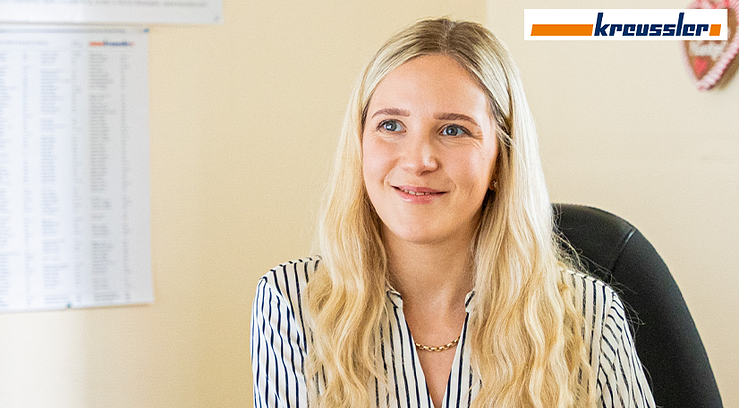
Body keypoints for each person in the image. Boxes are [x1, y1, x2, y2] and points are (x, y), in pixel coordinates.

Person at [250, 18, 655, 408]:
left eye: (453, 130)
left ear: (501, 161)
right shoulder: (292, 304)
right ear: (359, 146)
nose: (418, 160)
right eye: (391, 125)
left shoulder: (588, 316)